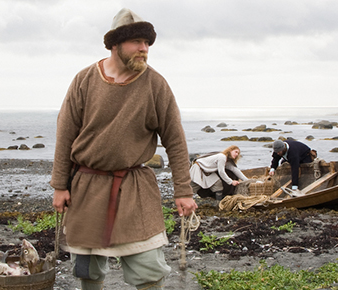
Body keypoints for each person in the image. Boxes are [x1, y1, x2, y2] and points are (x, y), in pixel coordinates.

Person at [50, 8, 197, 290]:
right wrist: (60, 185)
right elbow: (65, 134)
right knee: (88, 270)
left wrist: (183, 190)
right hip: (87, 187)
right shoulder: (85, 80)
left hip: (134, 189)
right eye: (137, 42)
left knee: (148, 269)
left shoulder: (155, 85)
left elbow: (175, 141)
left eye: (147, 43)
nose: (144, 49)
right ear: (116, 45)